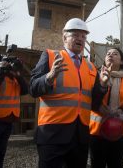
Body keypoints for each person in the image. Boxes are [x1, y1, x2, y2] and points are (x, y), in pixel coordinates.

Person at [30, 18, 109, 168]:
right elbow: (33, 88)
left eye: (83, 36)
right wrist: (49, 77)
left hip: (80, 136)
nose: (80, 38)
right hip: (53, 133)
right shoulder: (50, 56)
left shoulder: (91, 67)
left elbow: (94, 103)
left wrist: (103, 85)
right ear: (64, 37)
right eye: (76, 34)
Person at [89, 47, 123, 168]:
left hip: (118, 129)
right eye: (108, 54)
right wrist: (103, 84)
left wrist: (122, 110)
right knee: (97, 163)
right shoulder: (96, 75)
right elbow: (91, 99)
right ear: (105, 59)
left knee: (116, 162)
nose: (110, 55)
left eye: (115, 54)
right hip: (97, 129)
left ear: (121, 61)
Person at [0, 55, 28, 168]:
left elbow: (26, 90)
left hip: (9, 119)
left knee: (1, 151)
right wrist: (2, 70)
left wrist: (18, 74)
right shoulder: (1, 76)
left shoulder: (16, 79)